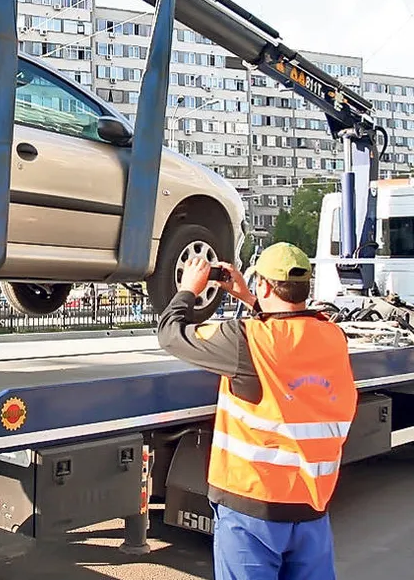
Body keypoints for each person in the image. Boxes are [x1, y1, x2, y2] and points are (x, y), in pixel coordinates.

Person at [157, 243, 357, 580]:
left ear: (264, 285)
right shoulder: (333, 336)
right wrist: (250, 299)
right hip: (311, 507)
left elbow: (170, 335)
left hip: (252, 507)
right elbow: (287, 328)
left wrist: (188, 290)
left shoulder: (245, 340)